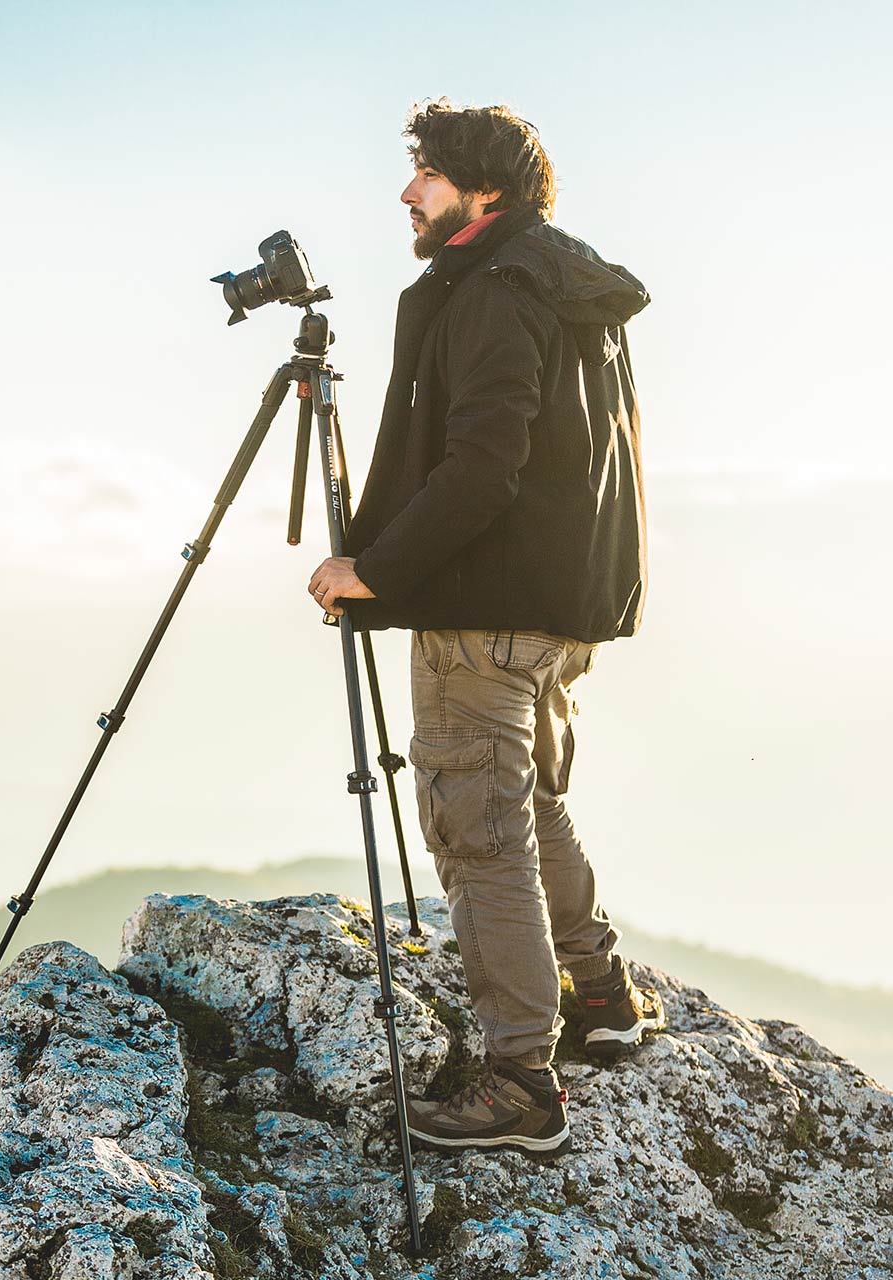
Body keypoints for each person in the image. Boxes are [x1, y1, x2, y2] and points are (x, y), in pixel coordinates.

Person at [305, 99, 663, 1155]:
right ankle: (599, 993)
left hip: (485, 611)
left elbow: (484, 464)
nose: (407, 193)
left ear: (483, 191)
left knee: (480, 833)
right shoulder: (563, 283)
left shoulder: (491, 293)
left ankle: (519, 1081)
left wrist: (371, 570)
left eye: (425, 174)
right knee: (535, 802)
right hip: (559, 610)